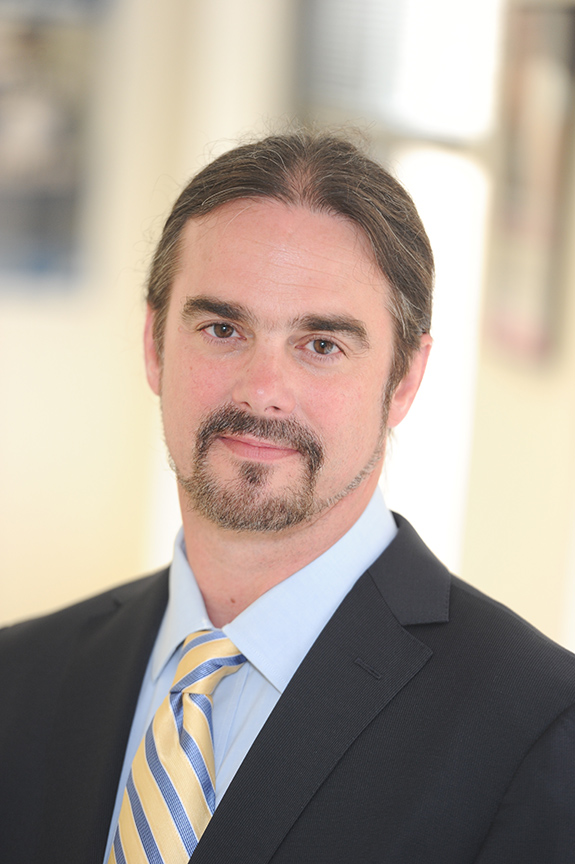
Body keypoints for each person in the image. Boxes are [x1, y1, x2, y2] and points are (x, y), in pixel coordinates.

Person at [1, 131, 574, 864]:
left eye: (321, 345)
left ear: (404, 380)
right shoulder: (19, 680)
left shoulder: (537, 730)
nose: (261, 391)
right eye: (222, 329)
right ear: (154, 344)